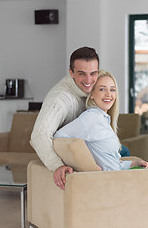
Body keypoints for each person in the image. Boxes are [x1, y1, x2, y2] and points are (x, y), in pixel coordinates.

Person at [31, 46, 100, 190]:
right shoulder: (60, 99)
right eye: (82, 74)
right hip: (72, 157)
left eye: (93, 73)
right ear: (71, 72)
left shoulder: (94, 87)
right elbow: (39, 135)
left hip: (89, 147)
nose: (88, 80)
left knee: (122, 151)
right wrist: (58, 166)